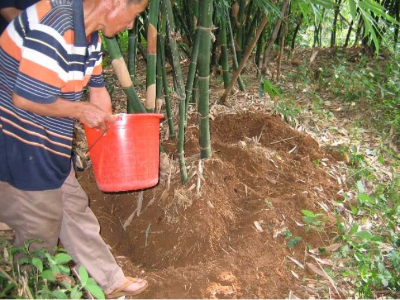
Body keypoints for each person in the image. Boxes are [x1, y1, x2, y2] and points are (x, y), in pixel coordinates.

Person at [0, 0, 149, 297]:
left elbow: (96, 91)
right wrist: (80, 111)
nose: (132, 25)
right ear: (114, 3)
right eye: (134, 15)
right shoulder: (55, 25)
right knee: (38, 225)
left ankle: (107, 279)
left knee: (72, 204)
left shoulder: (90, 33)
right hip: (17, 138)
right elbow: (25, 100)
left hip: (47, 134)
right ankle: (29, 289)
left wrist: (112, 135)